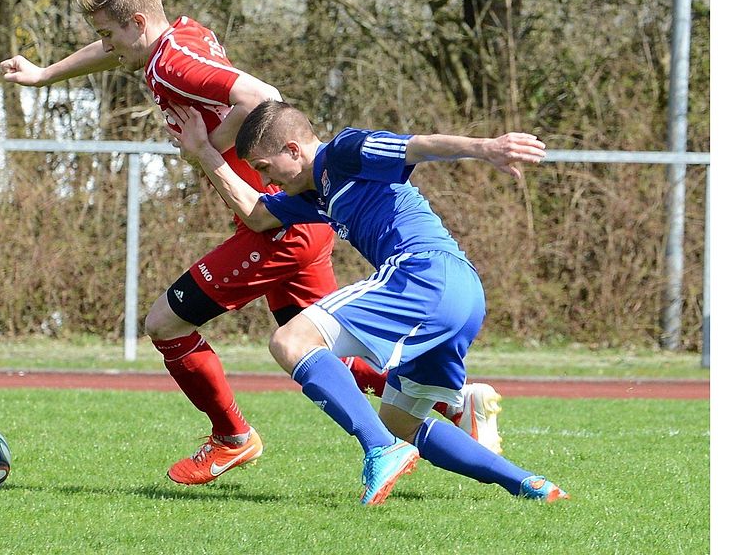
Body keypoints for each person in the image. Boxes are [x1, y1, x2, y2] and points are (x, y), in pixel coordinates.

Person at [0, 0, 500, 486]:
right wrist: (44, 73)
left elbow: (262, 94)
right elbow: (115, 51)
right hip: (291, 223)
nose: (105, 45)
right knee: (325, 353)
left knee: (165, 324)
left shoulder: (173, 66)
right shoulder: (174, 40)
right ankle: (457, 403)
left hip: (276, 225)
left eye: (108, 33)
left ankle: (232, 437)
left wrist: (208, 149)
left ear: (139, 24)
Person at [168, 99, 569, 505]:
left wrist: (488, 148)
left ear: (293, 149)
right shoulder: (314, 194)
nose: (265, 178)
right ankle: (529, 485)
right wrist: (203, 152)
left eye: (265, 167)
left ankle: (381, 450)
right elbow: (256, 214)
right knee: (401, 424)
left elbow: (419, 145)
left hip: (422, 274)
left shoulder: (345, 152)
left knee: (291, 341)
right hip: (461, 295)